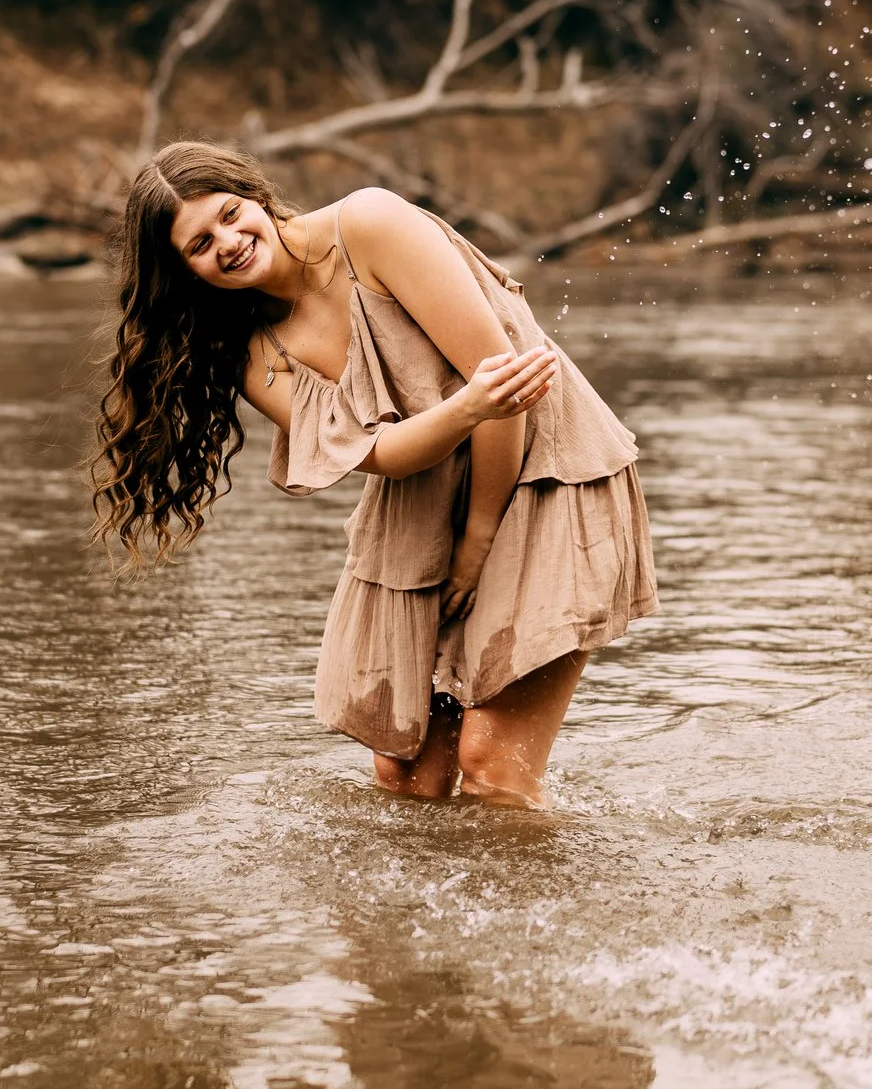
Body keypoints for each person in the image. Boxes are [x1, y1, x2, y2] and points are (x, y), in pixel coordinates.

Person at [92, 141, 657, 809]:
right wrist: (466, 410)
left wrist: (477, 538)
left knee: (493, 766)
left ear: (255, 195)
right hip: (422, 501)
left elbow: (506, 392)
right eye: (200, 244)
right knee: (407, 775)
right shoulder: (251, 353)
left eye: (230, 214)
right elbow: (382, 454)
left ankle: (552, 879)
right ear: (185, 271)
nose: (229, 243)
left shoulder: (369, 225)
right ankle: (431, 885)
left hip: (543, 467)